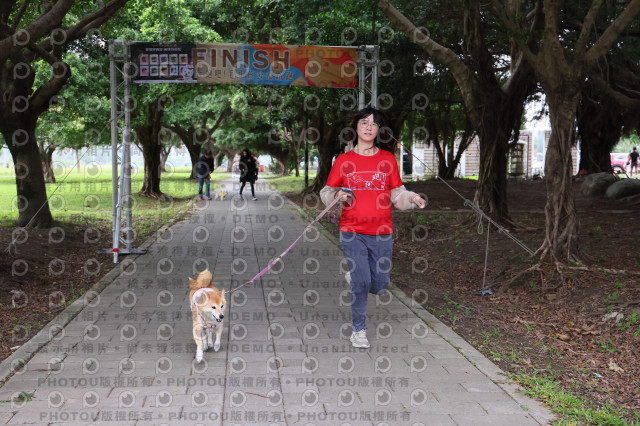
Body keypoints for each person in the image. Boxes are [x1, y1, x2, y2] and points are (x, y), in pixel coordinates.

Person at [320, 106, 426, 349]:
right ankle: (358, 330)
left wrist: (412, 198)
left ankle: (358, 277)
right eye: (364, 122)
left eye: (374, 124)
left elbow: (397, 194)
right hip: (351, 231)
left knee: (379, 285)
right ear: (356, 126)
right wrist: (337, 196)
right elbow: (327, 191)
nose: (369, 127)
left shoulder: (387, 159)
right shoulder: (343, 161)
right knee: (361, 283)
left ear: (379, 129)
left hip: (382, 232)